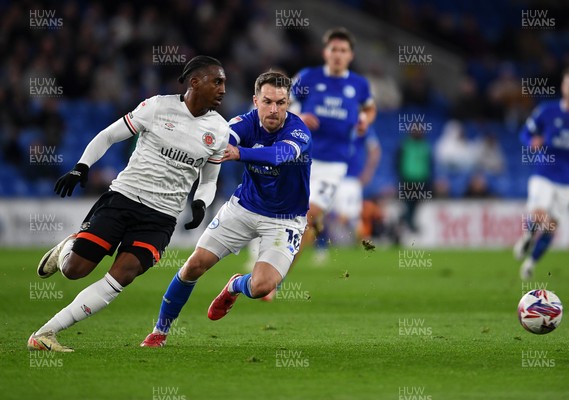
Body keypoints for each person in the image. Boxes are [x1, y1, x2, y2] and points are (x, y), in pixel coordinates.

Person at [27, 56, 229, 352]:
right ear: (195, 82)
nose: (223, 89)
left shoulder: (220, 130)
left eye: (224, 82)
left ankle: (46, 333)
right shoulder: (157, 107)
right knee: (74, 270)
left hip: (160, 219)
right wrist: (81, 166)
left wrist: (200, 202)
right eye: (218, 81)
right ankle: (67, 248)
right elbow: (109, 135)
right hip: (124, 199)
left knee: (123, 274)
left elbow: (210, 179)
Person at [140, 71, 311, 347]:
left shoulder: (299, 131)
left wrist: (240, 153)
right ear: (256, 101)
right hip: (243, 208)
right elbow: (220, 139)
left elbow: (281, 155)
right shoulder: (242, 124)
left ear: (288, 103)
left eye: (281, 103)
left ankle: (234, 285)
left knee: (261, 287)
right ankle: (160, 330)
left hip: (284, 219)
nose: (274, 109)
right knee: (194, 265)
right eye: (267, 101)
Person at [290, 27, 376, 253]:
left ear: (351, 55)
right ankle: (270, 274)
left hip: (334, 164)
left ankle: (275, 281)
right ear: (325, 52)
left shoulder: (359, 84)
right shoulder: (308, 77)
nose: (338, 54)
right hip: (300, 159)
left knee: (309, 216)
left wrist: (365, 120)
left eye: (343, 50)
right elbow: (281, 105)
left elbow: (369, 108)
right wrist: (300, 117)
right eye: (334, 49)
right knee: (289, 219)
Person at [514, 67, 569, 280]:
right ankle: (528, 235)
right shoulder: (547, 110)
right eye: (568, 84)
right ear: (563, 86)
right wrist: (531, 141)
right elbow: (525, 133)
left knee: (552, 226)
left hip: (568, 180)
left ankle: (530, 262)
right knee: (538, 214)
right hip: (544, 172)